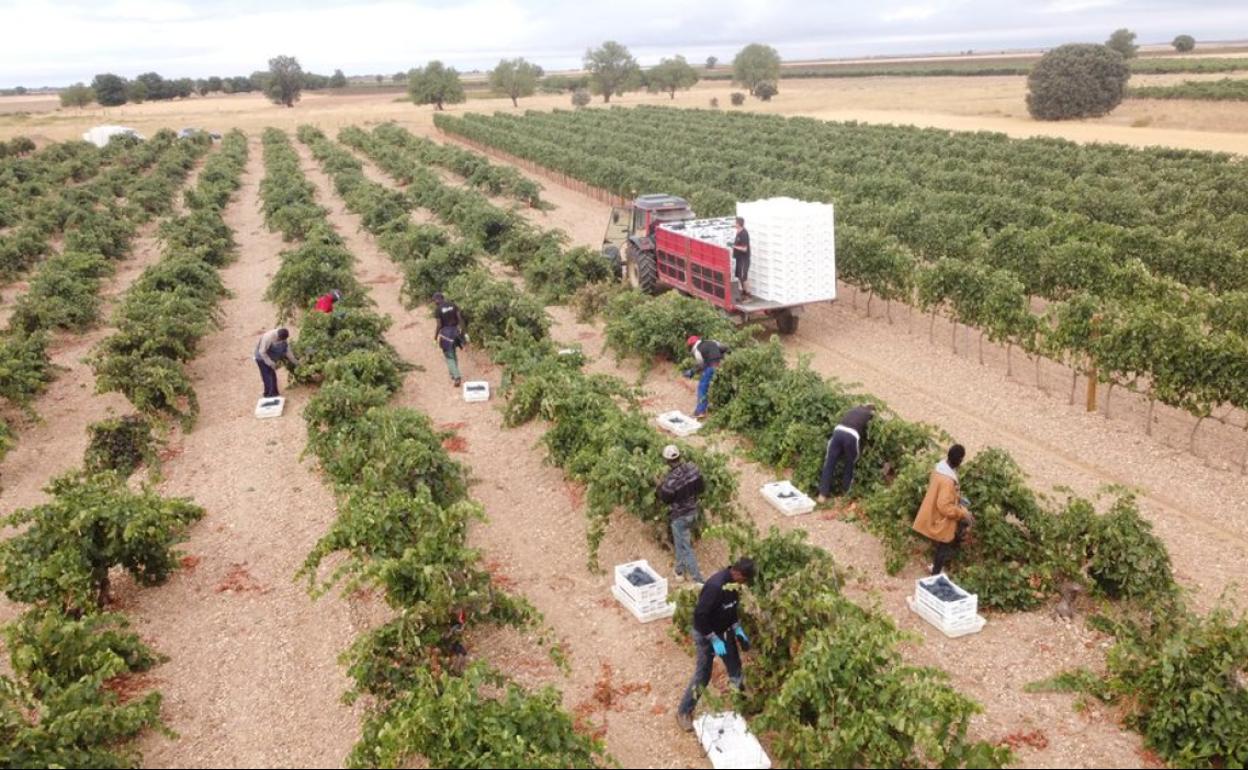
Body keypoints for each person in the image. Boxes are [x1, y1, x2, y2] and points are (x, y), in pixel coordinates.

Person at [675, 557, 756, 732]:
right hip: (705, 633)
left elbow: (731, 609)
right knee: (703, 674)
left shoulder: (733, 586)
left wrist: (737, 629)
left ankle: (741, 705)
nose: (745, 583)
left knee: (735, 669)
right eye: (745, 579)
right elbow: (700, 616)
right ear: (738, 573)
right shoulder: (715, 586)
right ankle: (683, 712)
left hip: (724, 631)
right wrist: (713, 638)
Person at [912, 444, 974, 576]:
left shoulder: (939, 469)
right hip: (940, 516)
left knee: (942, 543)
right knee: (946, 542)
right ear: (960, 460)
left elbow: (941, 494)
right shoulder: (948, 481)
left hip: (932, 511)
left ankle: (935, 568)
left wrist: (957, 497)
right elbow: (945, 507)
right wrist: (963, 513)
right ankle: (935, 574)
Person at [657, 444, 705, 584]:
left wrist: (660, 486)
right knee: (680, 543)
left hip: (679, 517)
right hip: (693, 512)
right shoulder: (693, 469)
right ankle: (679, 572)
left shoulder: (670, 481)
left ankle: (698, 580)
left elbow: (665, 499)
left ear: (666, 461)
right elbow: (701, 488)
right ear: (680, 456)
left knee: (685, 546)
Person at [816, 404, 877, 504]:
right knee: (850, 464)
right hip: (852, 436)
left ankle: (822, 495)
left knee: (829, 463)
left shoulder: (855, 408)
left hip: (838, 431)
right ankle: (845, 493)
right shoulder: (870, 414)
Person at [687, 335, 730, 418]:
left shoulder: (697, 351)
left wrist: (692, 371)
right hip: (722, 366)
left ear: (692, 345)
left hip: (712, 367)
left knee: (702, 387)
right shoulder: (712, 341)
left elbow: (701, 365)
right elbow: (725, 348)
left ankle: (700, 411)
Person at [433, 292, 466, 387]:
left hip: (446, 334)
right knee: (453, 352)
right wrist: (464, 333)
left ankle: (456, 377)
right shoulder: (453, 305)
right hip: (456, 332)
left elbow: (439, 325)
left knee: (449, 356)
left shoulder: (438, 310)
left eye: (434, 301)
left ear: (436, 300)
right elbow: (460, 319)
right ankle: (453, 373)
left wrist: (435, 338)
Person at [255, 327, 298, 399]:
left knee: (272, 376)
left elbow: (288, 351)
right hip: (261, 358)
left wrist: (296, 362)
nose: (282, 341)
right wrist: (271, 363)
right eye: (280, 340)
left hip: (271, 357)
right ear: (278, 337)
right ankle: (268, 395)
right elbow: (262, 352)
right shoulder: (268, 338)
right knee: (267, 376)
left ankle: (274, 394)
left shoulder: (283, 337)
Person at [732, 217, 751, 300]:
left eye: (735, 222)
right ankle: (743, 292)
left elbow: (745, 249)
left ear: (738, 224)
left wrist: (734, 246)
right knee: (739, 276)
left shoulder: (744, 234)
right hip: (739, 258)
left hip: (744, 259)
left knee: (744, 277)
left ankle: (748, 294)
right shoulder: (738, 232)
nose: (734, 224)